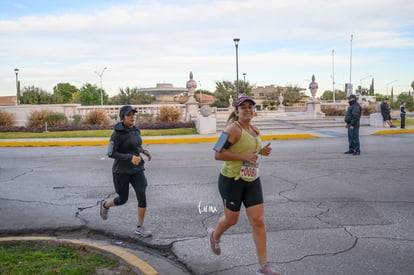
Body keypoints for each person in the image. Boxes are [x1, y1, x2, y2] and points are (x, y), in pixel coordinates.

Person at [208, 96, 279, 275]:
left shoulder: (254, 129)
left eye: (250, 107)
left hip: (252, 179)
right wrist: (243, 157)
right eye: (243, 107)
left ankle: (264, 266)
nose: (247, 110)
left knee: (258, 221)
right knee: (232, 220)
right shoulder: (232, 129)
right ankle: (214, 235)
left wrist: (261, 151)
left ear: (254, 110)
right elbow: (217, 154)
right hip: (231, 180)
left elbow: (249, 150)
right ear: (237, 111)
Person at [99, 105, 153, 237]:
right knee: (123, 199)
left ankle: (140, 227)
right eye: (129, 115)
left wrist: (143, 151)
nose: (132, 117)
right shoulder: (116, 134)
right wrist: (130, 157)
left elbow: (136, 145)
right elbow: (111, 153)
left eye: (133, 115)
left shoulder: (135, 131)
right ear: (122, 117)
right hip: (121, 171)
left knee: (142, 194)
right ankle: (105, 205)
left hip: (137, 169)